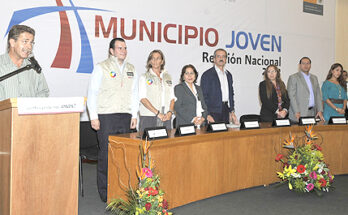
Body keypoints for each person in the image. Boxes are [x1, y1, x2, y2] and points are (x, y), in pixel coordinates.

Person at [87, 37, 138, 202]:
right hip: (106, 116)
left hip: (125, 116)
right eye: (119, 48)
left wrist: (135, 115)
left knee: (124, 155)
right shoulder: (102, 67)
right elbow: (92, 93)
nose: (123, 51)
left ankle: (121, 190)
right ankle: (105, 193)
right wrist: (93, 116)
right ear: (111, 50)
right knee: (106, 155)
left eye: (125, 48)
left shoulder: (131, 69)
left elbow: (134, 94)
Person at [0, 25, 49, 101]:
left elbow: (43, 92)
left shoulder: (34, 66)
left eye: (31, 42)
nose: (29, 46)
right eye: (25, 41)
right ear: (12, 42)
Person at [138, 50, 175, 132]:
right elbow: (142, 98)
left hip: (166, 116)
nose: (155, 61)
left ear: (162, 61)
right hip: (149, 115)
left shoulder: (168, 77)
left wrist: (169, 112)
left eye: (158, 58)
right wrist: (158, 113)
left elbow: (172, 98)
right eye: (153, 58)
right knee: (148, 143)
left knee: (165, 142)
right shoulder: (144, 77)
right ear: (150, 61)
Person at [200, 48, 238, 124]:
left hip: (226, 110)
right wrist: (207, 114)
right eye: (218, 56)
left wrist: (232, 110)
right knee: (214, 135)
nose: (221, 58)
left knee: (226, 134)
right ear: (214, 59)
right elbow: (203, 96)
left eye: (223, 56)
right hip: (213, 111)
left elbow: (231, 94)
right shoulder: (207, 75)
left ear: (226, 59)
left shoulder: (229, 75)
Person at [287, 57, 324, 123]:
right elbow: (291, 96)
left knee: (311, 133)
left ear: (310, 65)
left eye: (308, 63)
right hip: (298, 114)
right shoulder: (293, 77)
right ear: (299, 65)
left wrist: (320, 110)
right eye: (303, 63)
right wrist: (296, 111)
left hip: (312, 113)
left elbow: (318, 95)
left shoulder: (314, 78)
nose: (306, 65)